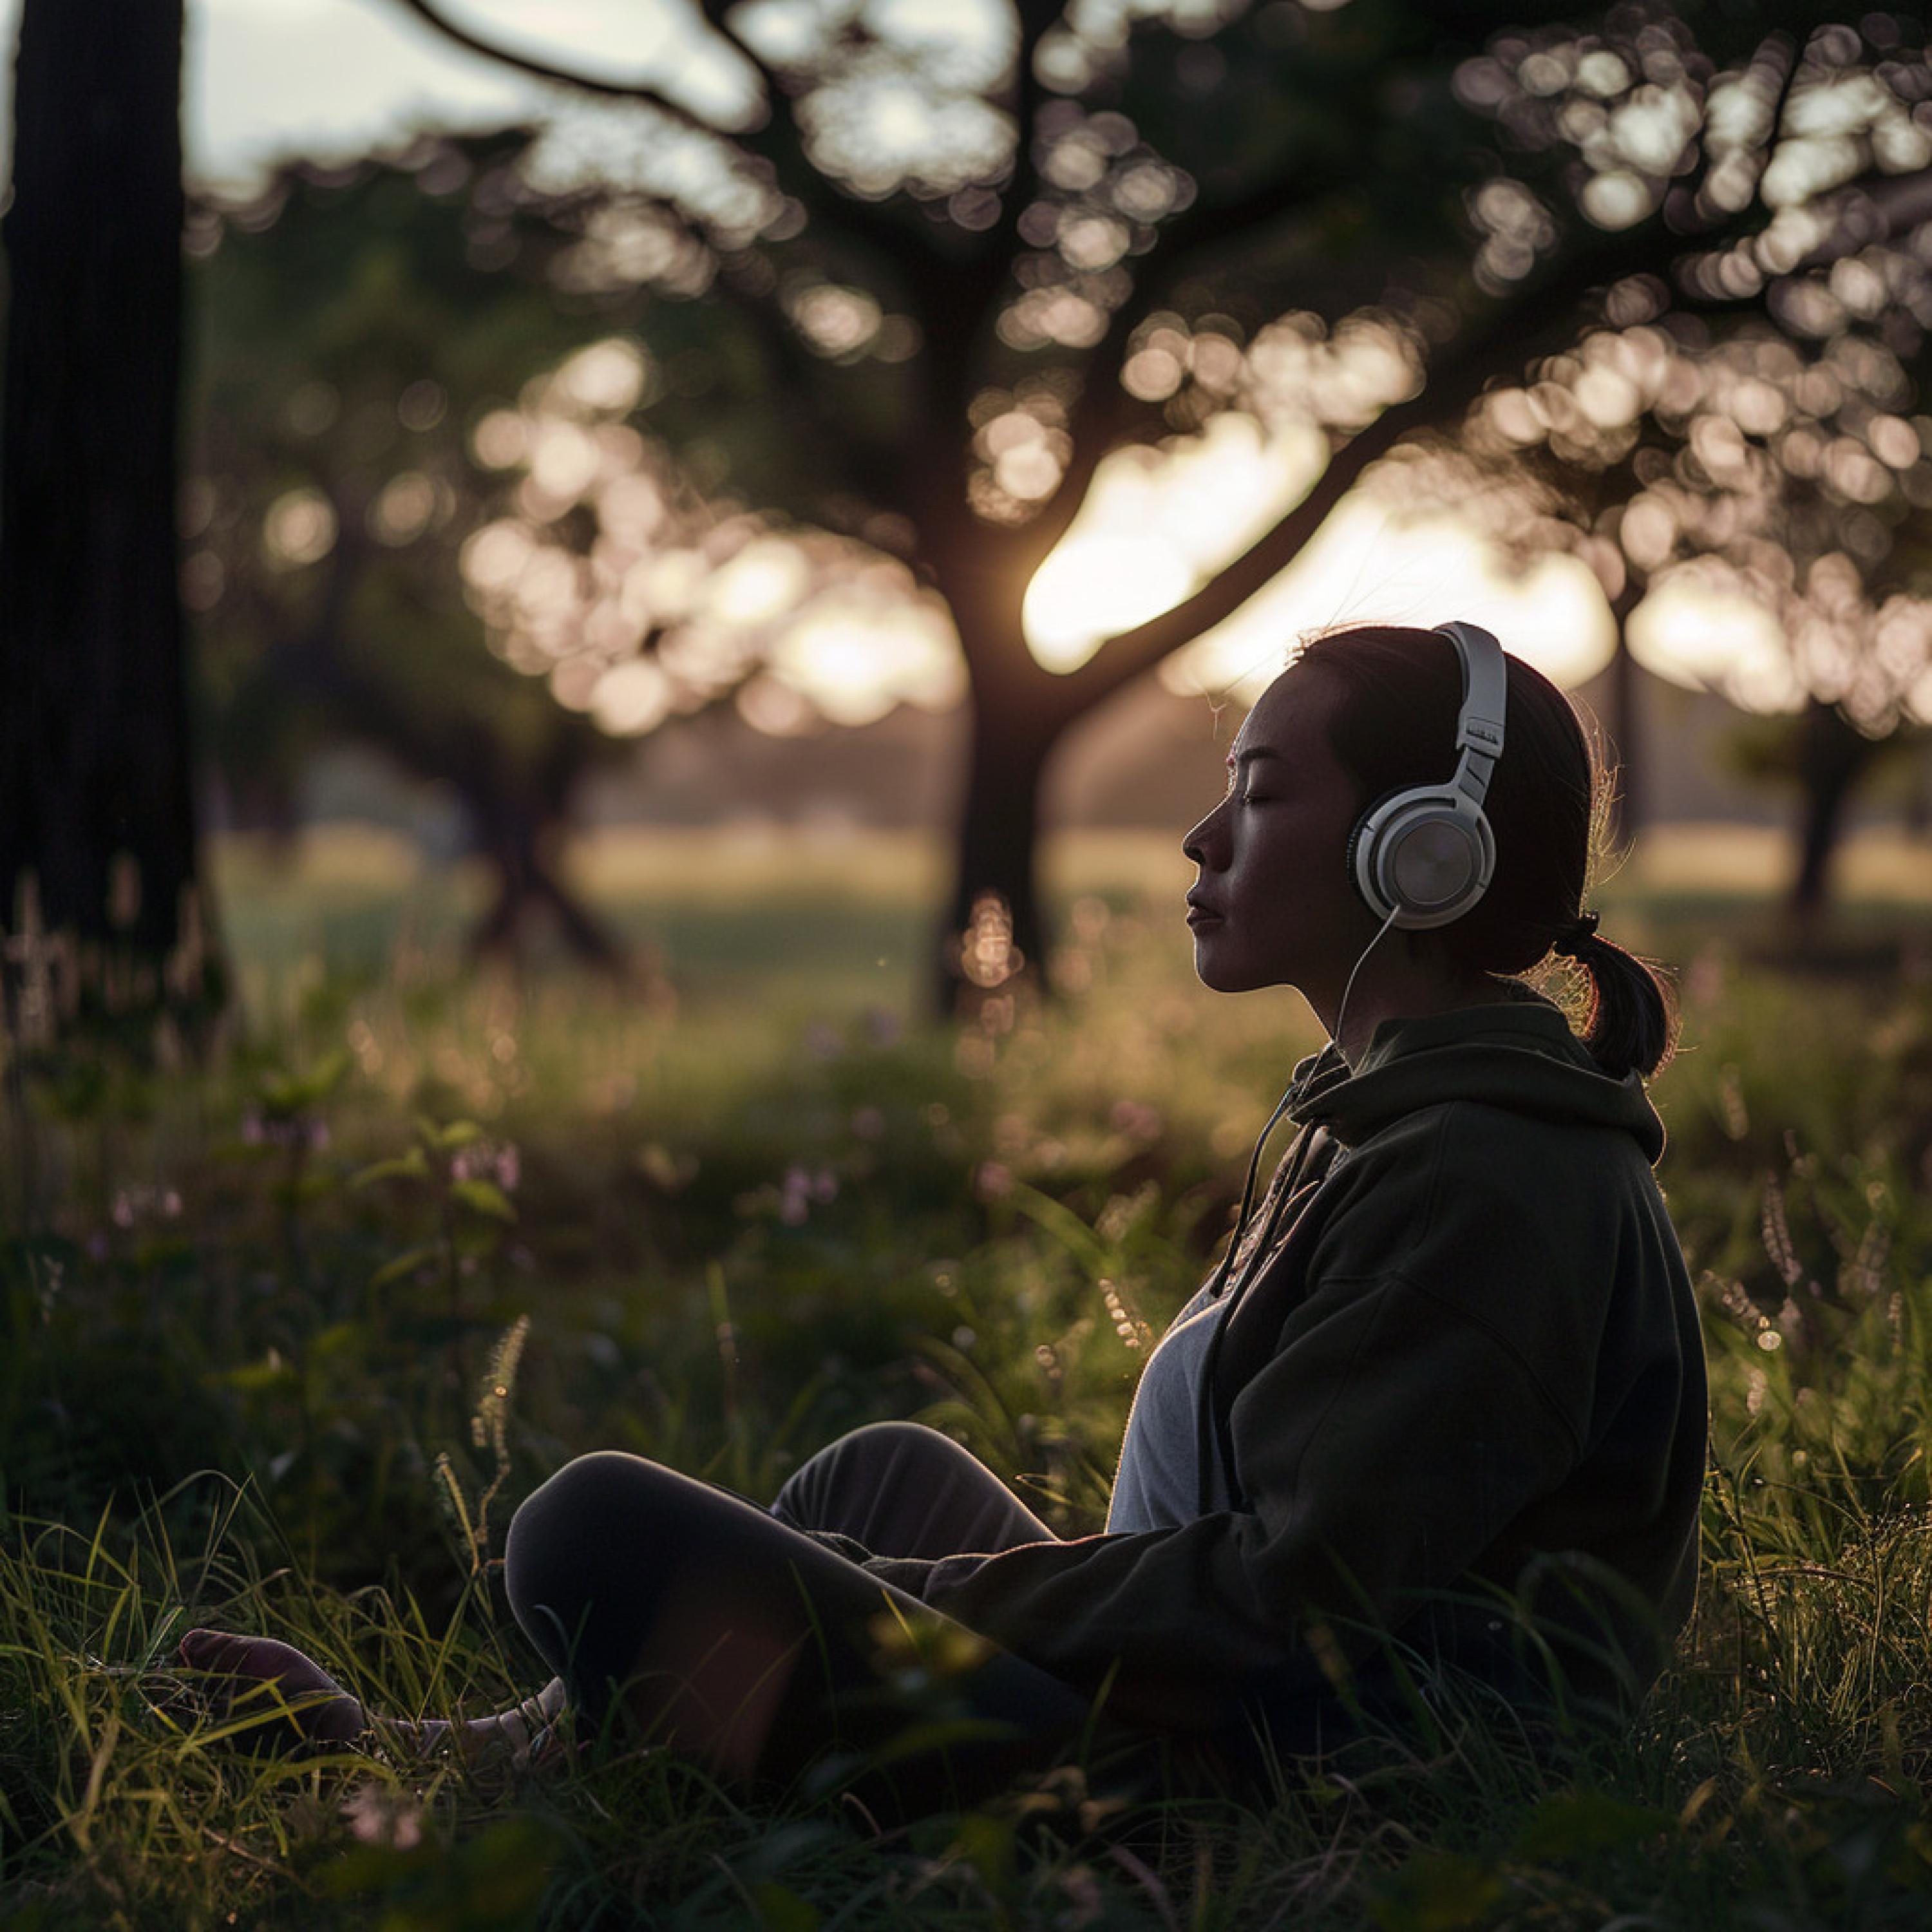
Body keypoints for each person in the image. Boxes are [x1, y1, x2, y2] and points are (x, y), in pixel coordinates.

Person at [177, 620, 1708, 1815]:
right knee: (882, 1475)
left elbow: (1286, 1608)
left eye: (1260, 791)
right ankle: (467, 1762)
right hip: (1214, 1721)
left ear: (1421, 855)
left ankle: (455, 1767)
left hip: (1267, 1793)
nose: (1201, 840)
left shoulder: (1488, 1176)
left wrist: (911, 1604)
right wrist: (900, 1587)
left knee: (590, 1527)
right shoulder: (1380, 1121)